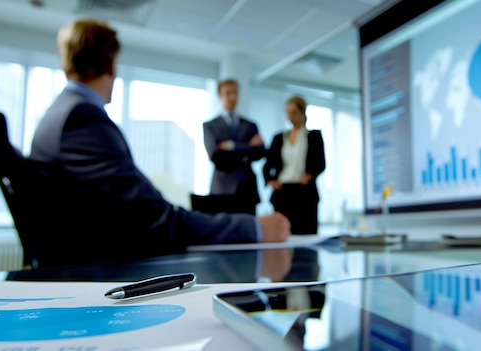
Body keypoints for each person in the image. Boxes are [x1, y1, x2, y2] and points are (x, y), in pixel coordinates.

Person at [28, 19, 290, 267]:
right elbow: (155, 219)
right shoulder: (82, 119)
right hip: (100, 270)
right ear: (111, 64)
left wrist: (231, 149)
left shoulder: (59, 114)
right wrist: (254, 228)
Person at [263, 96, 326, 234]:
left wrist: (309, 175)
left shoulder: (313, 136)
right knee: (282, 235)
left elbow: (321, 163)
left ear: (302, 113)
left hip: (304, 193)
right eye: (288, 112)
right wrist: (270, 180)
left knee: (305, 236)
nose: (290, 116)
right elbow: (267, 164)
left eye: (294, 112)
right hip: (283, 192)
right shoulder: (279, 138)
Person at [202, 79, 265, 215]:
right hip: (222, 190)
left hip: (248, 190)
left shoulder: (250, 125)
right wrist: (247, 149)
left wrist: (231, 146)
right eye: (228, 93)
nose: (233, 97)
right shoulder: (210, 126)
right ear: (220, 95)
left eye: (235, 93)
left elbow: (260, 152)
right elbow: (216, 156)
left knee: (250, 233)